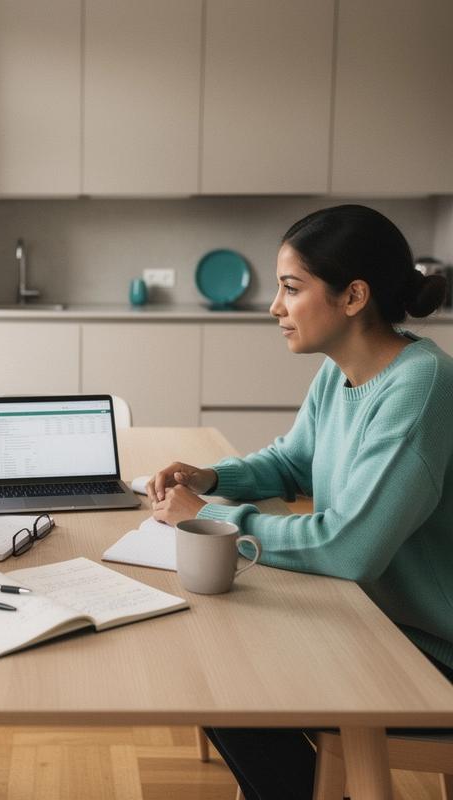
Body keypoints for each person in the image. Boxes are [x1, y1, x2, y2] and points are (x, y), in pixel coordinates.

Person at [147, 204, 453, 799]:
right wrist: (210, 477)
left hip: (429, 651)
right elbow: (292, 462)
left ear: (353, 296)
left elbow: (350, 547)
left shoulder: (420, 387)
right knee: (215, 661)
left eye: (291, 288)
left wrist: (208, 518)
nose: (275, 307)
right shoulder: (344, 372)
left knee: (226, 678)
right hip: (373, 618)